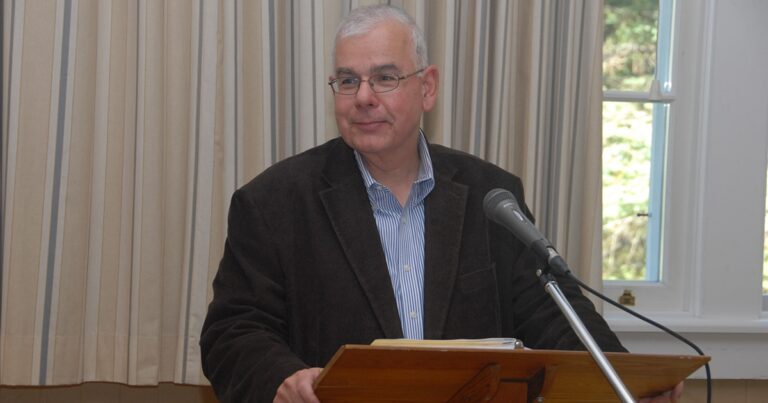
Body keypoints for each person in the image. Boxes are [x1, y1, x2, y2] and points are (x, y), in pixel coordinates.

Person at [200, 5, 682, 403]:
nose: (363, 97)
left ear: (426, 87)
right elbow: (232, 333)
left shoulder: (492, 197)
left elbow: (555, 317)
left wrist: (630, 382)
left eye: (384, 78)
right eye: (348, 81)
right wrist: (283, 379)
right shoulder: (273, 203)